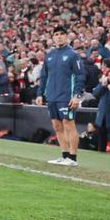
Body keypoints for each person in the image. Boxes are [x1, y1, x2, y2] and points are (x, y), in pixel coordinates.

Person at [36, 29, 84, 167]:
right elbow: (44, 76)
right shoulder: (49, 55)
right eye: (56, 35)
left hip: (66, 95)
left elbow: (80, 76)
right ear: (53, 38)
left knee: (68, 124)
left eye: (61, 34)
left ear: (67, 37)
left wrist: (77, 96)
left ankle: (73, 158)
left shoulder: (73, 55)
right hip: (52, 95)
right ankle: (64, 156)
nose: (59, 37)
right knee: (57, 126)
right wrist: (40, 93)